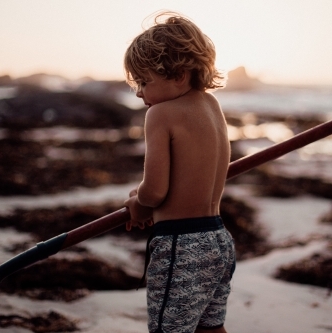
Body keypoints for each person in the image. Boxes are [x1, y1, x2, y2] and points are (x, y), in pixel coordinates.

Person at [123, 11, 236, 333]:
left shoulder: (160, 114)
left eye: (144, 81)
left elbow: (155, 191)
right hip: (218, 240)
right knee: (210, 329)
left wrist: (138, 202)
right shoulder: (211, 105)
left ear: (179, 75)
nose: (139, 92)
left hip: (181, 246)